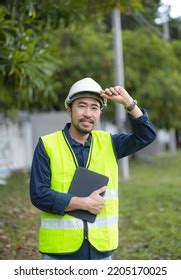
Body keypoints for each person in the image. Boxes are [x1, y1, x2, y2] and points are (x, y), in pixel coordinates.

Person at [30, 77, 156, 260]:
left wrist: (129, 102)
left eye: (94, 107)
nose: (88, 113)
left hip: (100, 252)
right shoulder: (47, 144)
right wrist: (83, 203)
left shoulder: (111, 143)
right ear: (69, 110)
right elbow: (38, 194)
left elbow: (147, 135)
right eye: (81, 106)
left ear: (99, 114)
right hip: (59, 254)